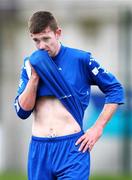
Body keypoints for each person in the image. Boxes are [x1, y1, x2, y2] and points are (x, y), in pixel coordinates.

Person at [14, 11, 124, 180]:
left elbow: (115, 89)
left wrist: (98, 128)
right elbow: (22, 111)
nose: (41, 46)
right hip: (39, 149)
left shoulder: (81, 59)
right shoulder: (30, 65)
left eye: (46, 38)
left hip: (72, 148)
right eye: (36, 40)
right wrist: (34, 78)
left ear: (58, 33)